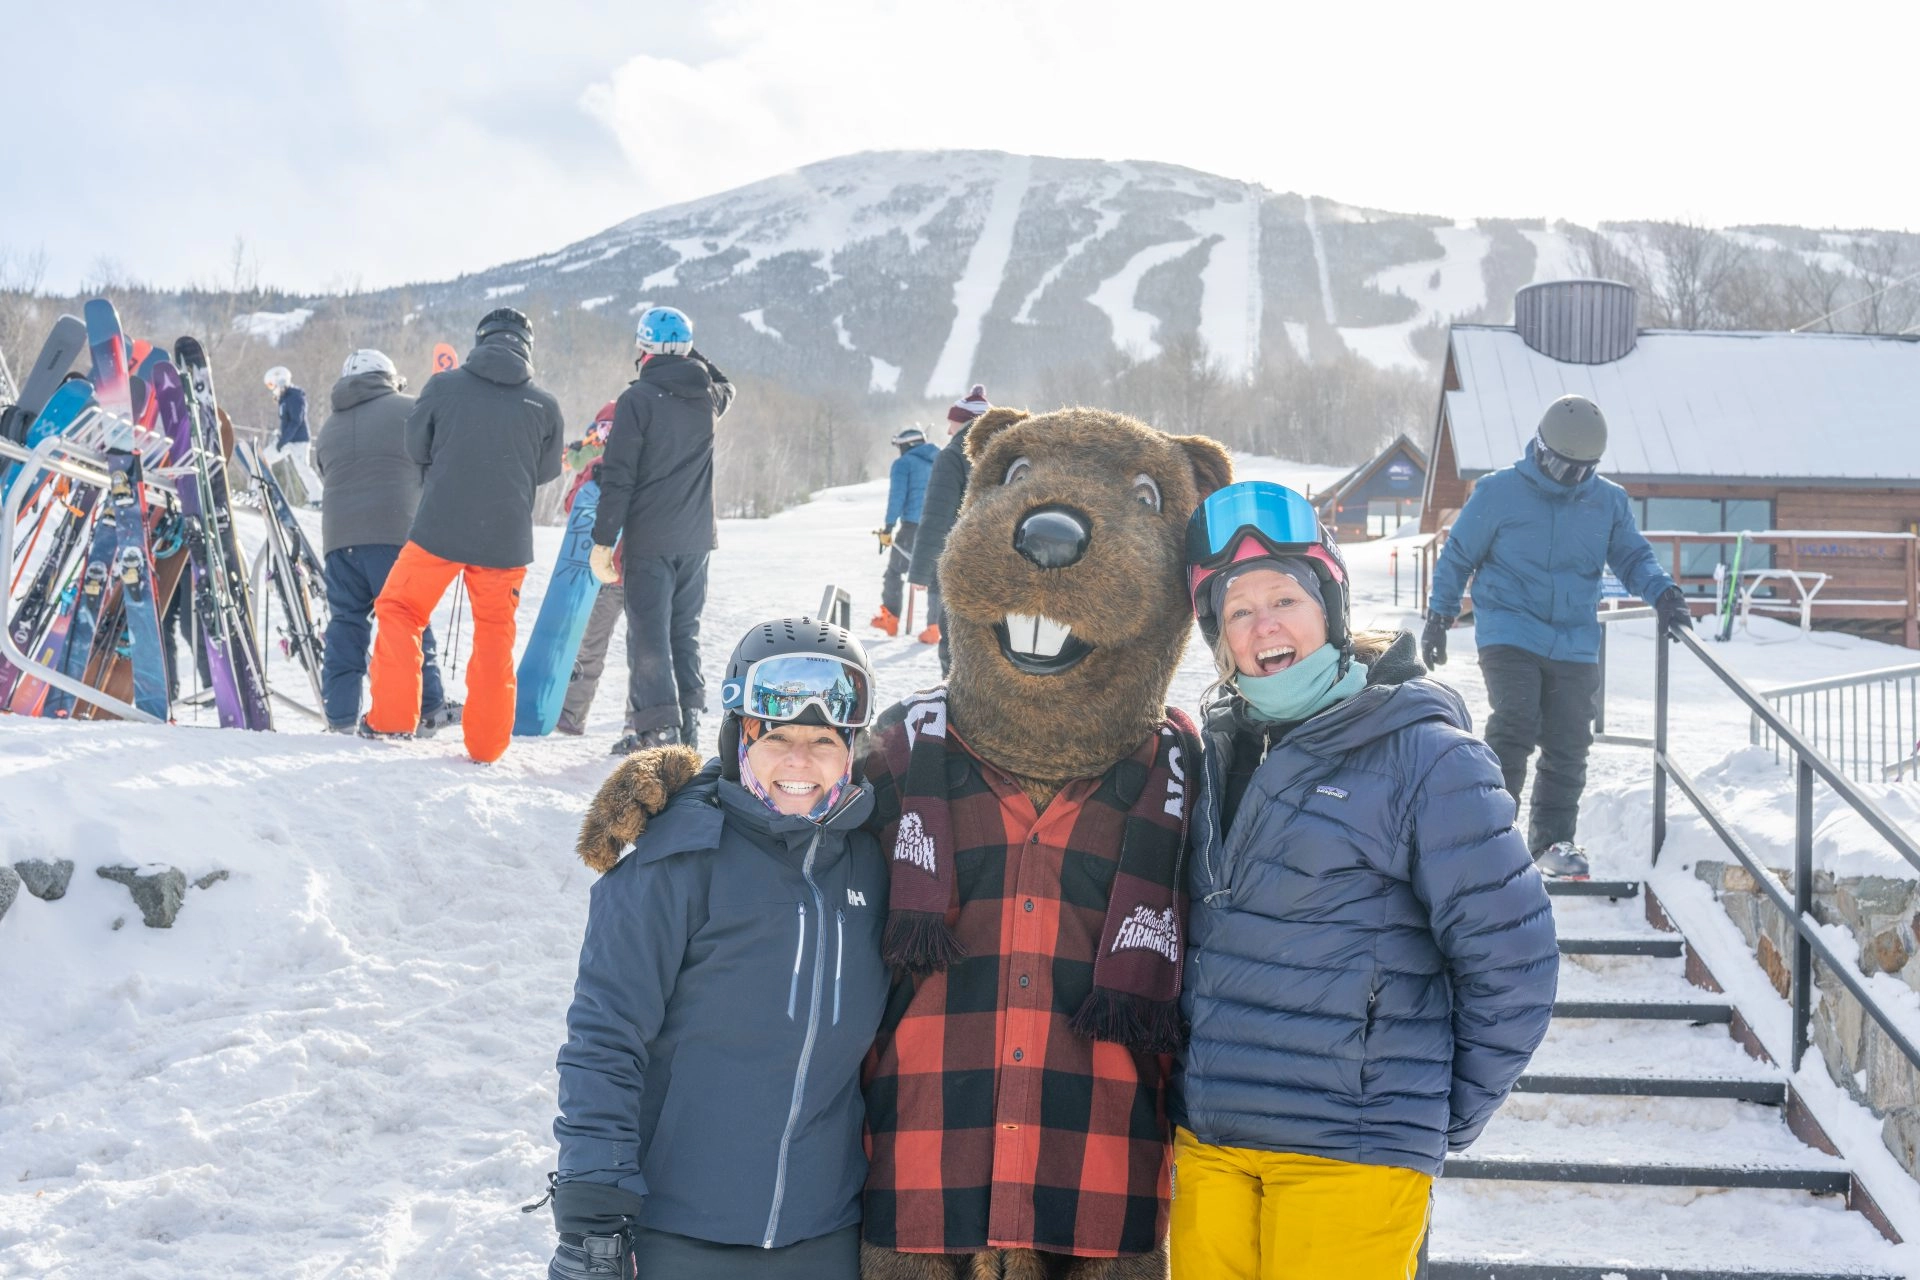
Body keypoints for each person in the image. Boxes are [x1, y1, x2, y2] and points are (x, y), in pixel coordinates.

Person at [1175, 480, 1559, 1280]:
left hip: (1349, 1154)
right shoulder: (1210, 755)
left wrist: (1425, 1114)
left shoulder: (1426, 755)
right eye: (1238, 611)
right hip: (1212, 1147)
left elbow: (1514, 965)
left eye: (1284, 598)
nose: (1264, 626)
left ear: (1331, 609)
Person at [547, 617, 887, 1280]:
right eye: (779, 737)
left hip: (824, 1236)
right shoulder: (676, 860)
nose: (801, 761)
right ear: (740, 737)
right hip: (677, 1232)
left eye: (824, 740)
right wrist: (595, 1215)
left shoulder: (874, 867)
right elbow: (604, 1039)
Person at [1424, 394, 1692, 878]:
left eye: (1579, 470)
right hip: (1509, 628)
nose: (1566, 477)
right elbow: (1458, 555)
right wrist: (1439, 616)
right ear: (1540, 448)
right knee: (1516, 721)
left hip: (1574, 639)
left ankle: (1552, 842)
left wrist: (1665, 594)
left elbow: (1633, 557)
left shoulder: (1606, 501)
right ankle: (1491, 837)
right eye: (1559, 465)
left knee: (1569, 741)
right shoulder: (1498, 492)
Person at [361, 308, 563, 762]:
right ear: (526, 347)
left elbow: (415, 446)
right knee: (495, 635)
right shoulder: (544, 405)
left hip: (440, 530)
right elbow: (547, 470)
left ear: (480, 340)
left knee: (399, 609)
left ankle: (392, 722)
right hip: (506, 541)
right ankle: (487, 747)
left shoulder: (443, 385)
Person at [590, 305, 734, 756]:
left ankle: (656, 731)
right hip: (696, 540)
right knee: (683, 631)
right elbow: (726, 380)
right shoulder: (707, 396)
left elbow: (619, 477)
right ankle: (688, 722)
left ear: (644, 348)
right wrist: (690, 353)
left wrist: (601, 540)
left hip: (651, 538)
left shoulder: (636, 400)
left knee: (648, 632)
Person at [311, 348, 457, 735]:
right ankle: (429, 705)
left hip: (339, 542)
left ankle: (340, 717)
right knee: (407, 618)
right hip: (394, 535)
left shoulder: (328, 427)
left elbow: (325, 473)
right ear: (389, 376)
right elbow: (438, 461)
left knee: (345, 624)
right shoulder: (410, 409)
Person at [556, 402, 630, 739]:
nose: (608, 438)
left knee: (647, 650)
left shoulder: (647, 461)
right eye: (601, 431)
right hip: (604, 572)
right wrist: (592, 484)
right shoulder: (596, 464)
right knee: (589, 645)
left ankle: (641, 721)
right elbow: (572, 505)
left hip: (642, 568)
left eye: (612, 431)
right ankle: (571, 712)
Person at [904, 384, 989, 663]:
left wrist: (919, 571)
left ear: (962, 421)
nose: (949, 430)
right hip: (1006, 574)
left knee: (954, 650)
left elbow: (937, 517)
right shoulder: (1010, 452)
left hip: (962, 568)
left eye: (951, 422)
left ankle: (957, 705)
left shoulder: (954, 455)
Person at [867, 425, 938, 637]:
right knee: (936, 576)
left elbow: (897, 497)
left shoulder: (903, 463)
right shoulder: (941, 460)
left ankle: (891, 619)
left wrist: (888, 527)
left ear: (907, 445)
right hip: (939, 527)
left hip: (912, 529)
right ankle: (934, 628)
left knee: (895, 571)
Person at [262, 365, 321, 507]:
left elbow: (296, 421)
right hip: (287, 439)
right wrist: (281, 436)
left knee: (303, 468)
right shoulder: (284, 398)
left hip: (298, 440)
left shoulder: (295, 397)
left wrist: (284, 440)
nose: (272, 388)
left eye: (271, 385)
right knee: (263, 459)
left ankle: (318, 498)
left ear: (280, 382)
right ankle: (260, 491)